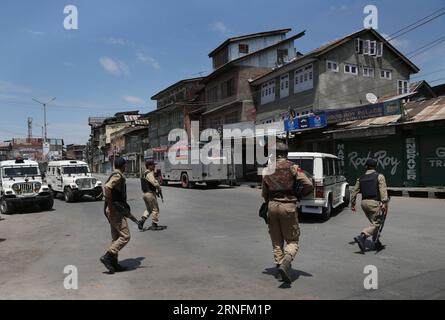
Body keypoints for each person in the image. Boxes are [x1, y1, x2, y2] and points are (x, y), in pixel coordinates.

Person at [261, 141, 314, 284]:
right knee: (292, 239)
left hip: (272, 206)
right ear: (286, 153)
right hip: (288, 206)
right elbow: (309, 184)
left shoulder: (267, 169)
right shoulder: (293, 167)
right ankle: (287, 261)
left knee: (276, 239)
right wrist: (301, 195)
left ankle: (279, 267)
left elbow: (264, 193)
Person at [100, 157, 133, 273]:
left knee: (116, 238)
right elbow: (107, 188)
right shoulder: (118, 175)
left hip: (114, 210)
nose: (126, 167)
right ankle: (108, 256)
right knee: (125, 236)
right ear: (123, 166)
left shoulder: (115, 174)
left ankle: (114, 263)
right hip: (115, 211)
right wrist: (111, 207)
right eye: (126, 165)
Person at [351, 159, 389, 252]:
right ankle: (362, 236)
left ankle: (376, 243)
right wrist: (384, 202)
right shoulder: (379, 176)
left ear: (366, 166)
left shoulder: (361, 178)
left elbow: (354, 191)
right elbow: (383, 191)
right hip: (374, 203)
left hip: (364, 203)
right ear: (375, 167)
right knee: (377, 223)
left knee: (374, 222)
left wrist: (353, 203)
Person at [138, 160, 163, 231]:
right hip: (150, 194)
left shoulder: (144, 173)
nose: (154, 166)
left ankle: (142, 221)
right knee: (155, 209)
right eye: (153, 165)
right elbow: (155, 183)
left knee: (149, 209)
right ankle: (154, 225)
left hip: (145, 194)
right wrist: (159, 187)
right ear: (149, 166)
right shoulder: (149, 173)